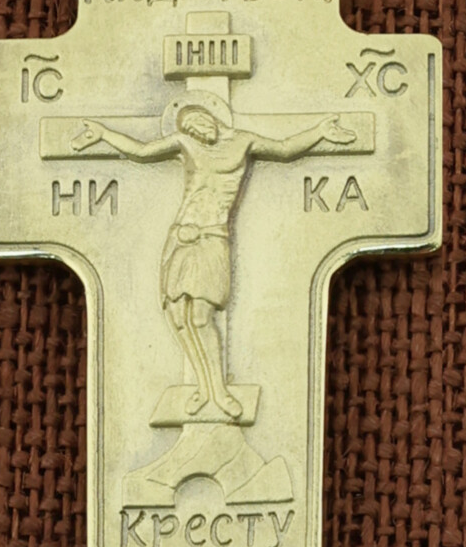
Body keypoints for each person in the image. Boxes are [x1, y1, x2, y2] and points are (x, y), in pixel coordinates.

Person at [72, 102, 353, 417]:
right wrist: (104, 134)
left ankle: (219, 391)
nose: (196, 130)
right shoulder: (185, 142)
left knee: (201, 316)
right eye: (189, 128)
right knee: (179, 316)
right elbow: (141, 151)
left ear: (209, 117)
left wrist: (319, 132)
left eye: (196, 122)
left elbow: (285, 149)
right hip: (180, 236)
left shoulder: (243, 141)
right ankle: (203, 389)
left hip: (213, 236)